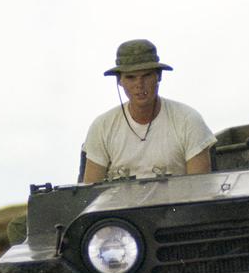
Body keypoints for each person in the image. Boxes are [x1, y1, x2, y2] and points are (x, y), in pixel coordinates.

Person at [82, 39, 217, 182]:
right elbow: (90, 194)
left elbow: (200, 190)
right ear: (119, 81)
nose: (139, 85)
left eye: (146, 76)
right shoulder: (102, 126)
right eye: (131, 77)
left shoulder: (188, 121)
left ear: (158, 76)